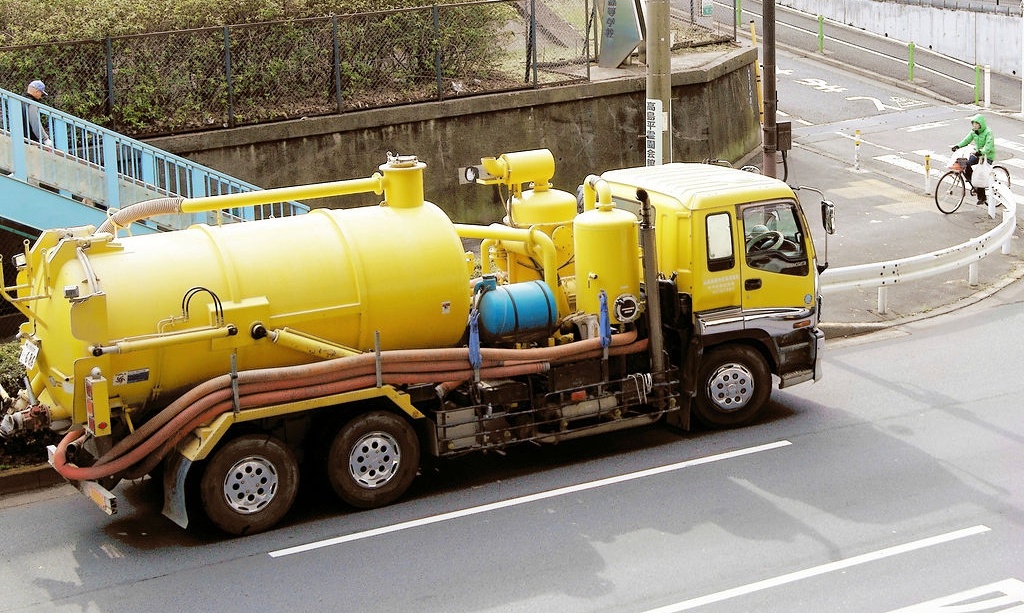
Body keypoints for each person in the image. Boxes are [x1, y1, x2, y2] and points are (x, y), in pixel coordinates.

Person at [951, 113, 995, 205]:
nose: (974, 125)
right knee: (963, 163)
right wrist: (957, 146)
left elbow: (989, 146)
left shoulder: (988, 132)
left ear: (981, 124)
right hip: (977, 153)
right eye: (973, 123)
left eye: (976, 123)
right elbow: (966, 140)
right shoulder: (973, 132)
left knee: (980, 175)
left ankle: (982, 197)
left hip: (987, 156)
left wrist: (981, 152)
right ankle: (973, 181)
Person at [23, 79, 52, 147]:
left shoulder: (17, 100)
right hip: (29, 141)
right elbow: (34, 121)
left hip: (18, 137)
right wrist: (45, 139)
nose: (41, 96)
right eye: (41, 93)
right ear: (37, 91)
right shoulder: (32, 103)